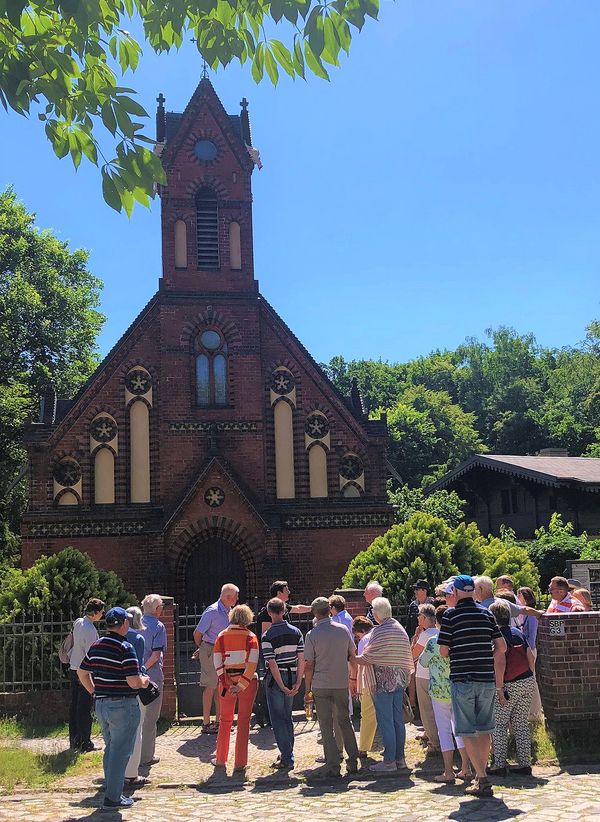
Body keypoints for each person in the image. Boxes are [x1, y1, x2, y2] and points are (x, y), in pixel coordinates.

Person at [438, 575, 507, 798]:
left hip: (462, 679)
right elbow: (502, 646)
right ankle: (480, 774)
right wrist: (487, 658)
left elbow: (443, 651)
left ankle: (482, 778)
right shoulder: (486, 614)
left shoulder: (450, 615)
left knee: (466, 729)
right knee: (485, 729)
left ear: (456, 592)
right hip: (485, 679)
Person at [77, 607, 150, 810]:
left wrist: (94, 692)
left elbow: (82, 673)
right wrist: (144, 681)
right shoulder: (125, 647)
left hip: (102, 704)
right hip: (123, 704)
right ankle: (113, 797)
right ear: (124, 624)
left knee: (111, 749)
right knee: (121, 752)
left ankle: (112, 790)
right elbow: (133, 681)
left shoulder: (96, 645)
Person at [356, 596, 414, 773]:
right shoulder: (399, 628)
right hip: (399, 681)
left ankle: (389, 761)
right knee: (397, 721)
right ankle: (400, 759)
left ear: (376, 612)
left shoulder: (380, 631)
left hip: (382, 683)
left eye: (373, 610)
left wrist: (352, 657)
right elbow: (404, 655)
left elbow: (368, 656)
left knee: (386, 721)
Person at [304, 597, 359, 777]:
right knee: (345, 721)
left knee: (326, 725)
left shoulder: (312, 635)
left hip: (321, 684)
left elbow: (309, 664)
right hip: (340, 682)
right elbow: (352, 655)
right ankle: (352, 760)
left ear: (314, 613)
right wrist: (353, 678)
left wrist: (307, 689)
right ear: (329, 610)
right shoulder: (343, 630)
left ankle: (333, 763)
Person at [419, 604, 471, 783]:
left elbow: (423, 662)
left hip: (439, 691)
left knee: (444, 730)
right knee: (460, 729)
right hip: (457, 688)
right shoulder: (460, 639)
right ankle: (465, 768)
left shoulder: (433, 641)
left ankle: (448, 771)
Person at [487, 601, 536, 777]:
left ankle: (499, 763)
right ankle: (525, 763)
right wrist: (531, 677)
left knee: (499, 724)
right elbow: (531, 656)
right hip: (527, 680)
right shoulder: (518, 633)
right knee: (520, 723)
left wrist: (499, 688)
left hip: (508, 684)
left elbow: (500, 663)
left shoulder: (496, 637)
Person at [254, 581, 311, 727]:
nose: (289, 592)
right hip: (274, 655)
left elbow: (298, 609)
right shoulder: (269, 611)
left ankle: (278, 716)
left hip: (285, 655)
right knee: (271, 683)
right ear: (279, 593)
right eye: (287, 590)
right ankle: (265, 715)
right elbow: (267, 634)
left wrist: (314, 607)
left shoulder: (282, 607)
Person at [212, 604, 259, 774]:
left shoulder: (221, 636)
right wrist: (241, 684)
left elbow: (217, 662)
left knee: (225, 721)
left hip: (226, 682)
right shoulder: (251, 637)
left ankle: (220, 759)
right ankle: (240, 762)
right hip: (247, 683)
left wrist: (226, 683)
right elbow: (252, 663)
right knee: (244, 722)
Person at [262, 597, 305, 770]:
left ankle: (287, 757)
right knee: (288, 717)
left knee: (278, 719)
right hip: (292, 674)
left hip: (276, 679)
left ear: (269, 612)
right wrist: (298, 682)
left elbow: (271, 663)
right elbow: (301, 658)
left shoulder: (267, 636)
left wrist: (280, 685)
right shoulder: (296, 632)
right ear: (284, 611)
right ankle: (288, 753)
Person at [193, 583, 239, 733]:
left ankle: (220, 722)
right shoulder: (212, 611)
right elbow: (197, 633)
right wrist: (203, 649)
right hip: (211, 649)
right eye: (235, 596)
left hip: (224, 651)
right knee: (211, 686)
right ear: (228, 597)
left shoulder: (229, 611)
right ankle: (206, 723)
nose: (237, 599)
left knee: (222, 686)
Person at [68, 597, 105, 752]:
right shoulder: (90, 630)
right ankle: (85, 742)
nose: (102, 615)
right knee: (84, 708)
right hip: (84, 671)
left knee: (74, 706)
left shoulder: (78, 622)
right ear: (95, 613)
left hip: (73, 667)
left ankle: (74, 739)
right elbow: (92, 654)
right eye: (101, 612)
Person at [140, 594, 167, 766]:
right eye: (162, 606)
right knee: (150, 718)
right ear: (157, 609)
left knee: (136, 717)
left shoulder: (134, 623)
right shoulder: (158, 626)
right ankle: (146, 757)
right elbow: (156, 654)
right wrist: (143, 669)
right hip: (152, 676)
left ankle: (133, 755)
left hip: (132, 676)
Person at [124, 607, 149, 787]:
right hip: (134, 685)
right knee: (136, 730)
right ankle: (132, 773)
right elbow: (138, 664)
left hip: (114, 688)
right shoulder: (137, 638)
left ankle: (116, 771)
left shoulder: (111, 638)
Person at [412, 603, 440, 751]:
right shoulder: (439, 632)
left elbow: (414, 654)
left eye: (419, 615)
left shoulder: (425, 635)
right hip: (438, 676)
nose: (417, 618)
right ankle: (432, 734)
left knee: (426, 708)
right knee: (438, 709)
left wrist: (417, 636)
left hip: (424, 675)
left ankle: (434, 741)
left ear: (423, 617)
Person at [352, 616, 377, 759]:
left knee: (367, 715)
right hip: (384, 679)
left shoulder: (364, 640)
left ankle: (363, 748)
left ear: (360, 631)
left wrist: (356, 683)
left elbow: (361, 663)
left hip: (368, 681)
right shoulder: (378, 635)